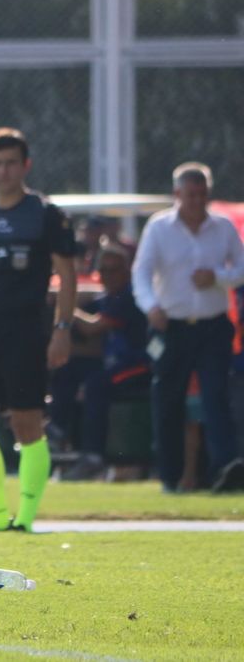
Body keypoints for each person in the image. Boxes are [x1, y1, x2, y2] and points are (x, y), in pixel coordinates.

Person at [0, 127, 77, 533]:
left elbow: (67, 275)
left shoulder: (45, 214)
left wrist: (62, 329)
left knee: (27, 427)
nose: (3, 171)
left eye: (11, 163)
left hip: (28, 331)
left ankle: (24, 519)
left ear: (25, 165)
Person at [132, 162, 244, 494]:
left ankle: (224, 471)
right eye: (189, 194)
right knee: (168, 399)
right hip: (172, 326)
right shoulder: (159, 227)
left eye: (201, 194)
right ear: (177, 194)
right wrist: (151, 307)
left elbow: (240, 268)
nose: (195, 201)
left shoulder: (222, 227)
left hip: (212, 326)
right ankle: (171, 476)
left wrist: (217, 278)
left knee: (216, 398)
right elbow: (141, 274)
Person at [61, 243, 151, 480]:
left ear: (127, 270)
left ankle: (94, 456)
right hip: (116, 363)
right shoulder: (109, 297)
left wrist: (65, 306)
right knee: (69, 369)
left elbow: (93, 328)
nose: (109, 276)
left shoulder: (129, 296)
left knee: (96, 385)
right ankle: (60, 433)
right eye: (104, 270)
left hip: (140, 364)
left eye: (115, 270)